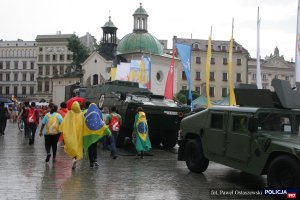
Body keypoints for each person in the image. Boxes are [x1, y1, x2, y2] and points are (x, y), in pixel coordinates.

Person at [83, 102, 111, 168]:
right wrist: (108, 132)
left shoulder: (84, 113)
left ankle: (91, 163)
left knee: (90, 148)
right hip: (96, 133)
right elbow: (102, 124)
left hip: (87, 134)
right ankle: (95, 160)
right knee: (94, 147)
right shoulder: (98, 113)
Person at [59, 101, 84, 169]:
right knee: (77, 146)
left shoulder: (69, 113)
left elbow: (64, 122)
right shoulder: (81, 114)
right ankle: (75, 158)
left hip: (70, 133)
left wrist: (61, 129)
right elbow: (83, 123)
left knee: (71, 146)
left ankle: (74, 158)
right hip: (79, 134)